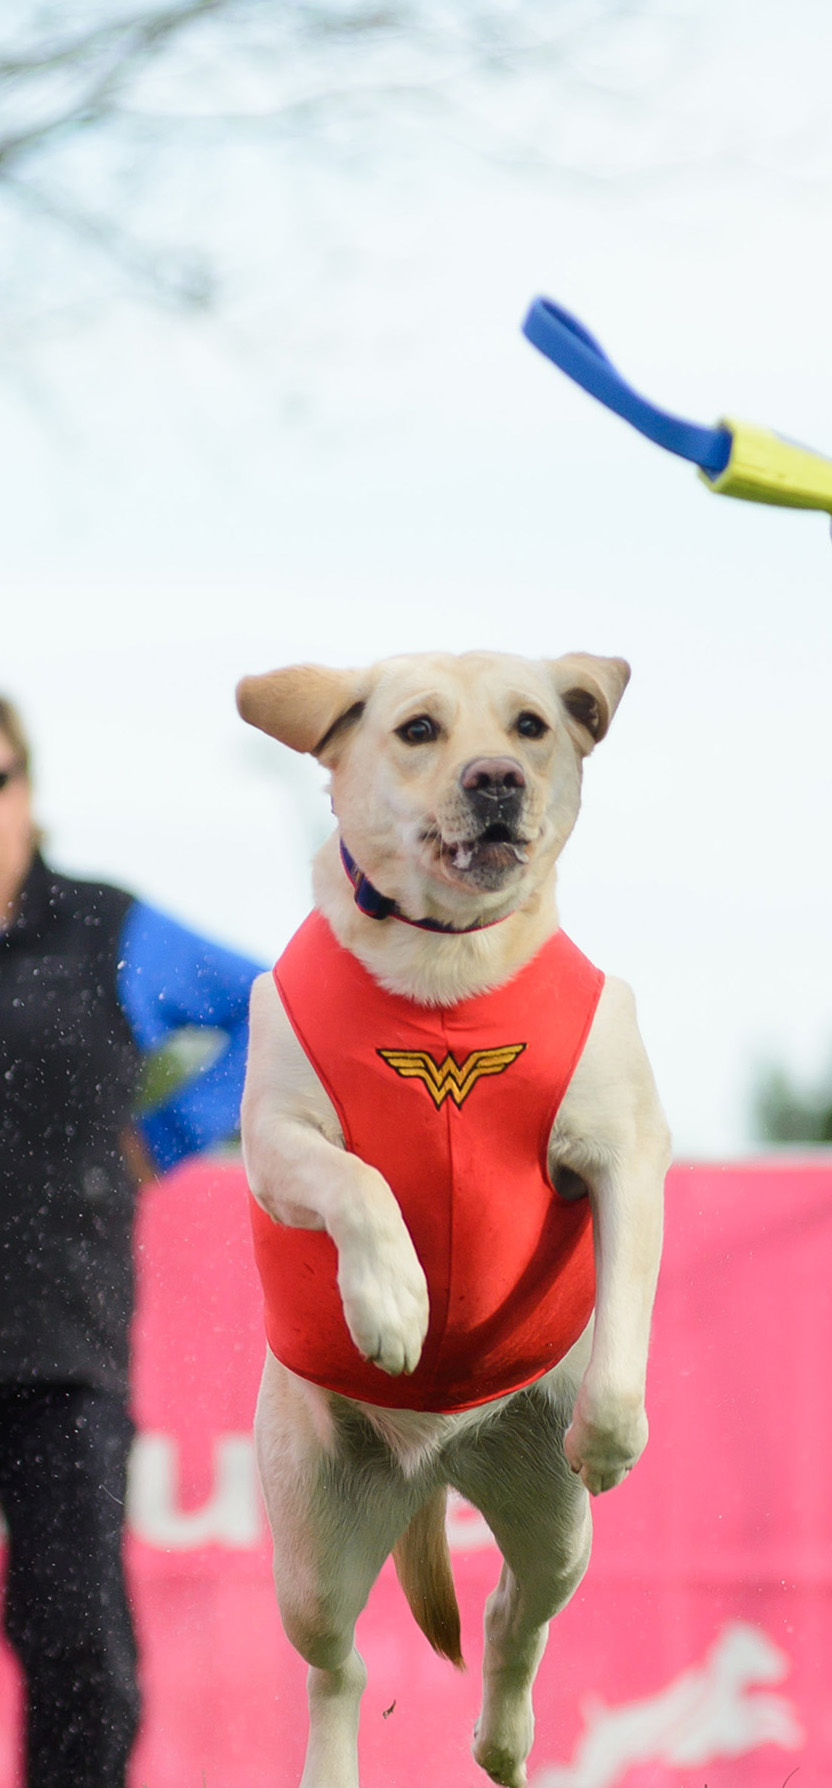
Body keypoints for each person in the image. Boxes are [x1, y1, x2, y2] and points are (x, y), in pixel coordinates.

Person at [0, 694, 262, 1788]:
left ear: (29, 790)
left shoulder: (105, 932)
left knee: (77, 1651)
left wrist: (171, 1132)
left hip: (61, 1360)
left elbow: (279, 1007)